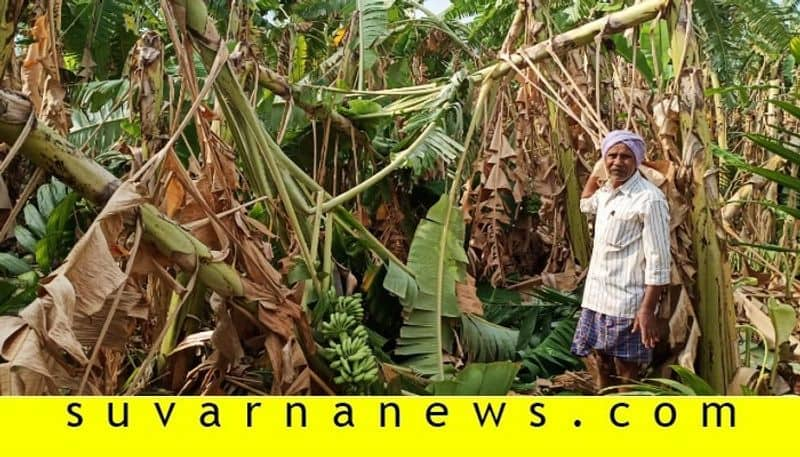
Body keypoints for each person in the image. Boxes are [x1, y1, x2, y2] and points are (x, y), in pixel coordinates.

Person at [570, 130, 672, 391]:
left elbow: (659, 261)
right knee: (601, 364)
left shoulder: (649, 199)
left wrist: (647, 310)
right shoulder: (605, 193)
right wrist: (596, 170)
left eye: (626, 157)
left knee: (628, 374)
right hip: (597, 299)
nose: (617, 162)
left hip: (627, 304)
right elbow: (584, 204)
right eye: (611, 156)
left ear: (637, 160)